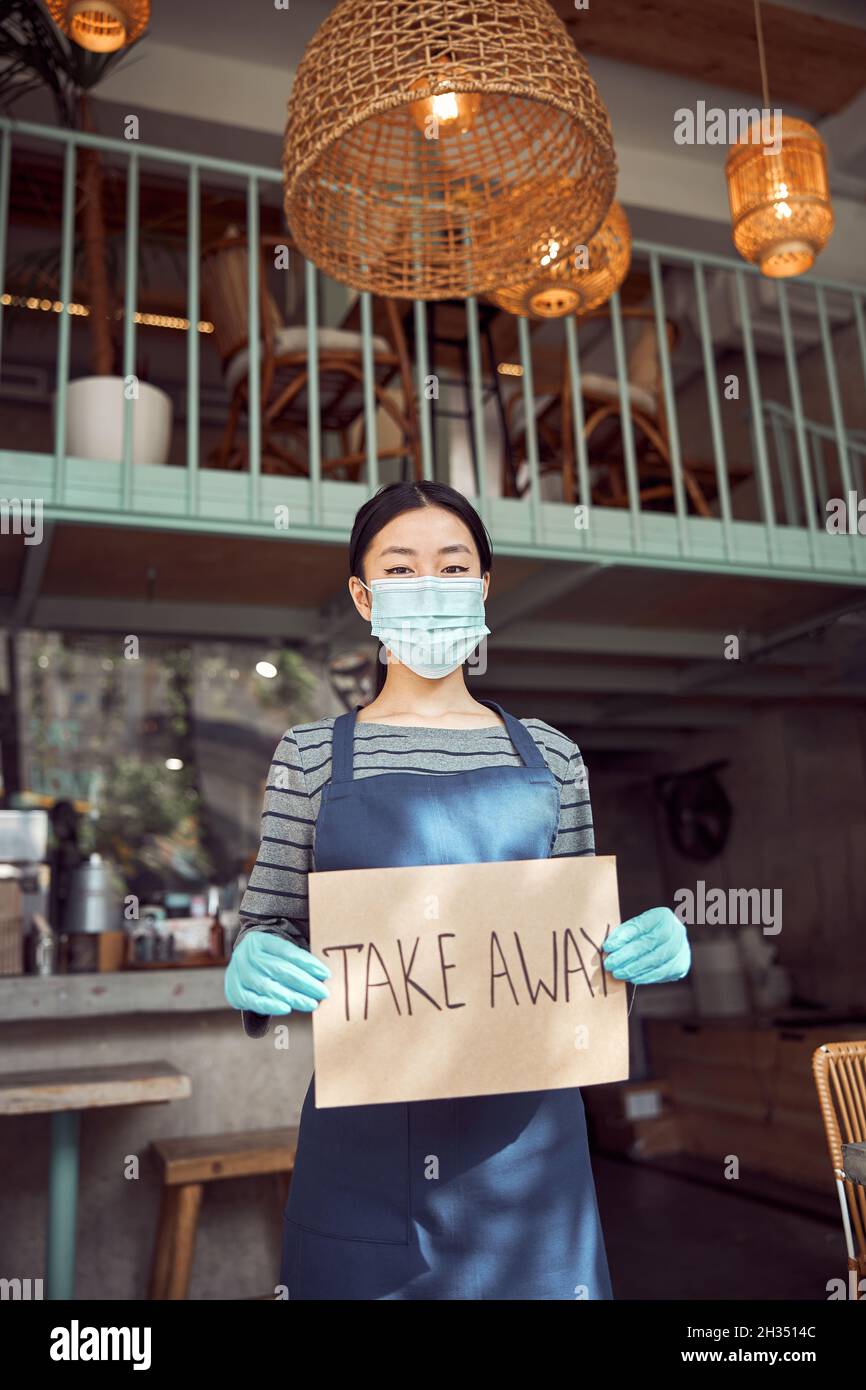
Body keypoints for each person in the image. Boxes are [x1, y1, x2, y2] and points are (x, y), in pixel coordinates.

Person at [225, 479, 690, 1300]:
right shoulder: (309, 758)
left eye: (452, 565)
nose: (428, 586)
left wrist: (641, 953)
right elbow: (271, 924)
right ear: (365, 598)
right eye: (401, 570)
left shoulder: (552, 757)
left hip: (530, 1163)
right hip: (365, 1152)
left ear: (481, 588)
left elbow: (578, 962)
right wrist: (255, 957)